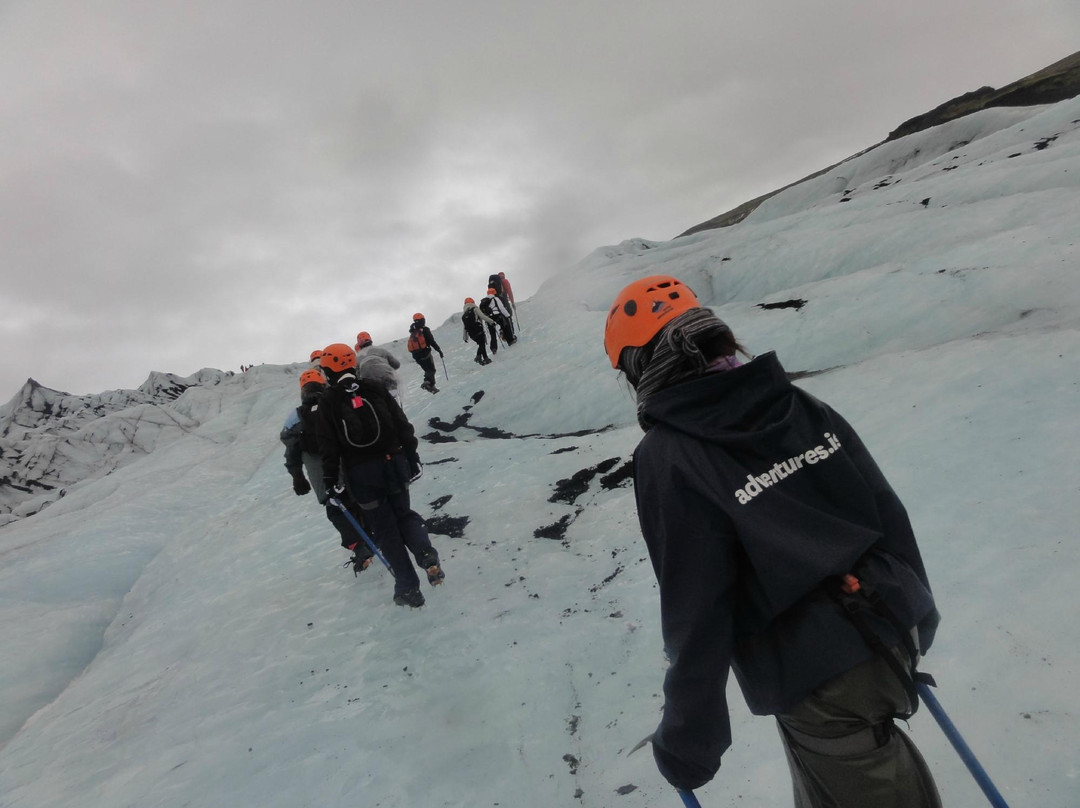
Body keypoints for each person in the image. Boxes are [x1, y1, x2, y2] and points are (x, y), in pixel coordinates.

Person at [604, 275, 942, 808]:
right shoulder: (793, 401)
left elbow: (698, 606)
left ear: (641, 366)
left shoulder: (669, 455)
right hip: (892, 624)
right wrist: (918, 608)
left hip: (816, 676)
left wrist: (690, 741)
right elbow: (883, 509)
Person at [316, 343, 445, 608]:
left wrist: (330, 483)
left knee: (386, 530)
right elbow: (402, 426)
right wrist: (412, 458)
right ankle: (427, 555)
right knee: (405, 514)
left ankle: (408, 588)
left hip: (363, 476)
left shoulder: (328, 401)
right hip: (394, 464)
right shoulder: (374, 388)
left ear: (328, 370)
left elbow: (329, 449)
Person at [280, 368, 374, 575]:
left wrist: (297, 476)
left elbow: (291, 448)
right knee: (357, 500)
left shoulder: (296, 416)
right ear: (323, 385)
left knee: (335, 508)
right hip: (346, 463)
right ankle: (372, 538)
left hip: (319, 472)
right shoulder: (334, 402)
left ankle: (358, 546)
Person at [354, 331, 402, 397]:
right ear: (370, 339)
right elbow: (396, 365)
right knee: (393, 397)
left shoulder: (357, 358)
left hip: (370, 384)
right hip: (388, 379)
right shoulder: (381, 350)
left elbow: (357, 375)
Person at [407, 313, 443, 393]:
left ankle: (431, 387)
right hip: (424, 352)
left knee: (427, 370)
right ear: (422, 320)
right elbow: (431, 341)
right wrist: (439, 350)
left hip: (416, 355)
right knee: (431, 369)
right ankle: (427, 382)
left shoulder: (413, 331)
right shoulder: (425, 329)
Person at [461, 297, 495, 365]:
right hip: (478, 329)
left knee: (481, 344)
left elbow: (465, 327)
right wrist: (491, 321)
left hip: (471, 334)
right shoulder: (475, 309)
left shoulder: (464, 315)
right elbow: (482, 316)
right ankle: (478, 356)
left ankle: (485, 358)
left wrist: (465, 337)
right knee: (482, 344)